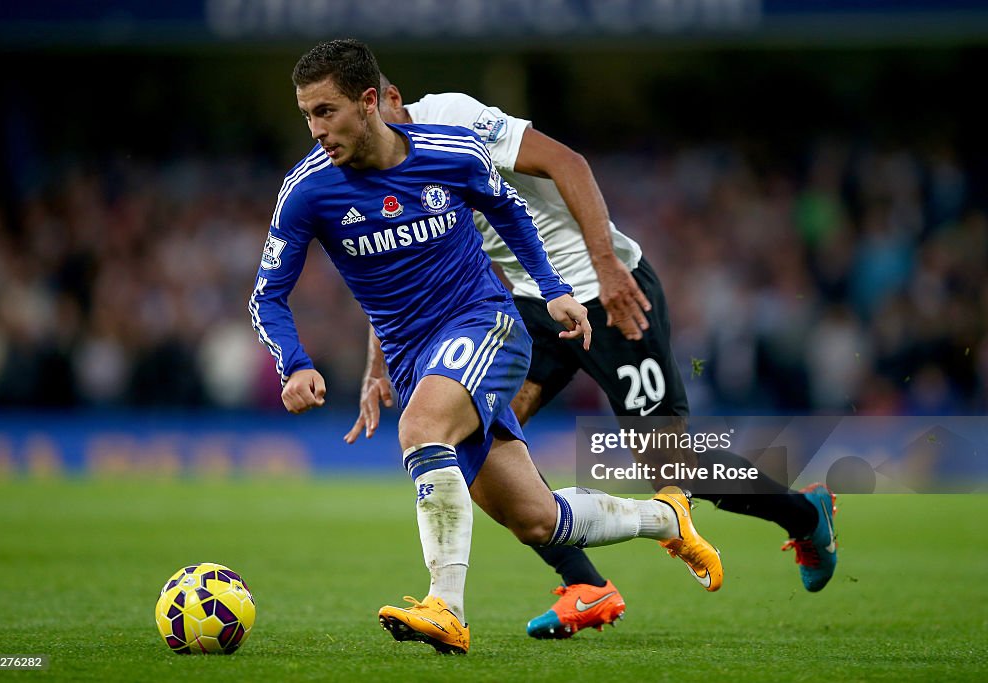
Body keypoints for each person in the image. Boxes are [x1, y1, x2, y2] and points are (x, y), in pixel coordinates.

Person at [249, 38, 724, 656]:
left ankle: (446, 607)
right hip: (414, 355)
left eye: (326, 112)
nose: (315, 130)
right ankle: (668, 520)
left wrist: (553, 291)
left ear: (370, 102)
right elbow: (268, 296)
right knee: (536, 517)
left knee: (422, 429)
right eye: (307, 115)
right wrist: (297, 363)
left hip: (487, 324)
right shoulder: (307, 191)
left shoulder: (452, 153)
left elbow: (514, 217)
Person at [344, 76, 839, 638]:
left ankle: (805, 514)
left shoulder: (453, 116)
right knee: (471, 442)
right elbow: (391, 271)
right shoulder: (376, 171)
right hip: (534, 305)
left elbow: (569, 163)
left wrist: (606, 267)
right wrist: (377, 362)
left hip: (605, 291)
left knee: (668, 465)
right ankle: (586, 585)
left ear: (388, 99)